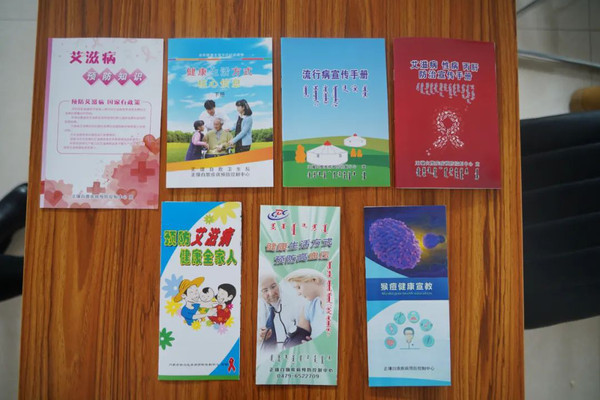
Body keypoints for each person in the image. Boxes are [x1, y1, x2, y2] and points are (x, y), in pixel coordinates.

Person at [257, 273, 307, 353]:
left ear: (278, 285)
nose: (271, 293)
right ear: (259, 293)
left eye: (273, 286)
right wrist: (259, 338)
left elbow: (303, 332)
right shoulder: (257, 309)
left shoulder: (294, 303)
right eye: (265, 290)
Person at [285, 268, 328, 339]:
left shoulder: (334, 304)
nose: (298, 293)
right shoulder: (310, 306)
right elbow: (301, 334)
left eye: (299, 287)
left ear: (314, 280)